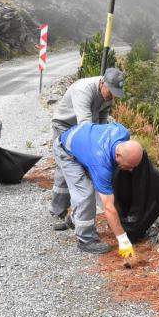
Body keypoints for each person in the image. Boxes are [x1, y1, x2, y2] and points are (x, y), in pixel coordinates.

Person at [52, 121, 143, 257]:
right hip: (66, 151)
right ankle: (86, 239)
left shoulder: (123, 132)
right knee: (85, 194)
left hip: (85, 142)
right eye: (129, 165)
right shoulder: (101, 165)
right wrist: (123, 240)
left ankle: (74, 219)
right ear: (117, 156)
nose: (131, 169)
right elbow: (108, 207)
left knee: (102, 188)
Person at [50, 67, 125, 230]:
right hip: (65, 125)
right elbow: (84, 128)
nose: (112, 96)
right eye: (111, 92)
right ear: (103, 83)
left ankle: (72, 214)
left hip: (84, 127)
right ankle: (58, 210)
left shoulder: (108, 92)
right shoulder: (84, 90)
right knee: (66, 168)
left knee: (76, 170)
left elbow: (102, 118)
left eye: (115, 93)